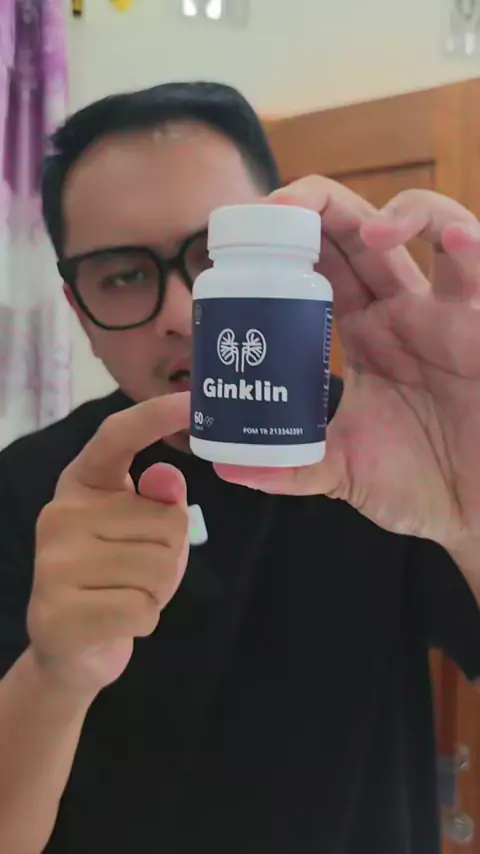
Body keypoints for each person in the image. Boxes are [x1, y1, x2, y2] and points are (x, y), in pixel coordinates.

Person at [0, 81, 479, 854]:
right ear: (77, 308)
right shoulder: (25, 488)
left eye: (212, 254)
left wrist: (473, 504)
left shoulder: (400, 457)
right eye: (122, 274)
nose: (181, 312)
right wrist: (53, 675)